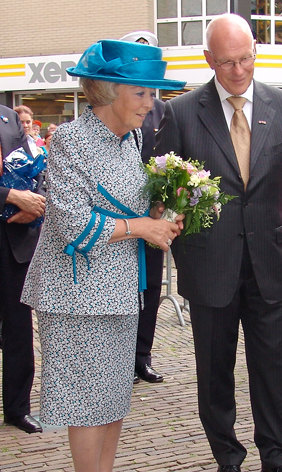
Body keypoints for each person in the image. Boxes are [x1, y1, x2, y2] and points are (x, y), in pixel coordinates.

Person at [21, 39, 185, 472]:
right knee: (85, 396)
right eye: (141, 92)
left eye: (152, 92)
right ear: (111, 90)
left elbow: (124, 204)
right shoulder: (71, 139)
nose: (150, 102)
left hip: (118, 283)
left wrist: (156, 215)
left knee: (112, 391)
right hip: (73, 291)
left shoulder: (130, 140)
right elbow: (70, 220)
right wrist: (143, 229)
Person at [155, 13, 282, 472]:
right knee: (214, 369)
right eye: (226, 62)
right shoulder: (181, 114)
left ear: (256, 50)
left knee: (272, 366)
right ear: (208, 60)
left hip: (269, 261)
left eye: (245, 58)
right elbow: (164, 192)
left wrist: (278, 239)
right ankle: (227, 459)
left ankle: (277, 458)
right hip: (210, 266)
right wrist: (187, 246)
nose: (238, 70)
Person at [119, 29, 168, 385]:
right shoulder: (117, 108)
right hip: (118, 217)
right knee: (121, 285)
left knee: (150, 288)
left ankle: (142, 356)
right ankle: (119, 358)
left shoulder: (166, 110)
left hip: (152, 214)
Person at [0, 105, 45, 434]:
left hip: (13, 240)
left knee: (18, 329)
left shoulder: (9, 117)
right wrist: (10, 194)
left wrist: (35, 203)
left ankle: (18, 408)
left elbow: (36, 169)